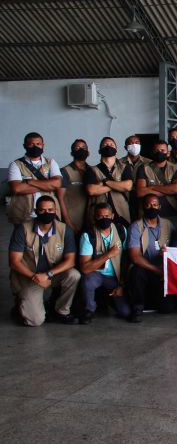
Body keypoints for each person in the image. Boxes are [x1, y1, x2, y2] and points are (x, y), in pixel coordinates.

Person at [8, 196, 80, 326]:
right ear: (36, 211)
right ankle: (20, 303)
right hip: (29, 277)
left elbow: (70, 261)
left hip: (51, 274)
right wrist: (35, 277)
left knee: (74, 275)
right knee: (35, 321)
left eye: (50, 210)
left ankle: (61, 311)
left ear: (56, 211)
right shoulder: (22, 229)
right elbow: (14, 262)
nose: (47, 213)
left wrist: (47, 275)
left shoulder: (64, 230)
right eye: (42, 210)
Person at [78, 203, 131, 324]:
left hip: (116, 277)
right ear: (95, 217)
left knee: (125, 312)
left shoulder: (121, 230)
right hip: (97, 274)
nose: (104, 219)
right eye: (100, 217)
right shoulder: (88, 235)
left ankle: (111, 300)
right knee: (88, 280)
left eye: (107, 216)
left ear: (112, 216)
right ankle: (89, 309)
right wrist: (108, 255)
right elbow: (85, 268)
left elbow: (127, 260)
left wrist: (122, 285)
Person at [127, 194, 175, 322]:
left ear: (159, 207)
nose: (152, 208)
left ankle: (154, 300)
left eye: (155, 205)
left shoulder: (168, 224)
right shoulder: (136, 226)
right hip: (145, 267)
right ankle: (137, 307)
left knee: (167, 308)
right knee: (137, 272)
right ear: (143, 207)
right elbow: (135, 256)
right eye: (148, 205)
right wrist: (156, 270)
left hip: (164, 269)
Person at [7, 132, 62, 225]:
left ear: (43, 145)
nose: (35, 146)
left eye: (38, 144)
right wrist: (48, 185)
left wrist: (29, 182)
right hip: (24, 213)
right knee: (25, 238)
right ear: (25, 146)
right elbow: (16, 188)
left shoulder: (51, 162)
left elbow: (57, 183)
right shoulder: (16, 164)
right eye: (31, 144)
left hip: (48, 212)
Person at [85, 136, 134, 226]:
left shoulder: (124, 167)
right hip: (99, 214)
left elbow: (128, 186)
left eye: (111, 145)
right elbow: (91, 190)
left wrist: (104, 182)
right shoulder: (92, 169)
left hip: (122, 212)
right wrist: (118, 185)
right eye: (105, 145)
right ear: (99, 151)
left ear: (116, 150)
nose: (108, 146)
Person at [135, 140, 177, 225]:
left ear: (168, 153)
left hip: (172, 213)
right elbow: (140, 192)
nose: (159, 153)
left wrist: (151, 187)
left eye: (162, 150)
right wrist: (167, 189)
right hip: (148, 214)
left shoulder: (175, 168)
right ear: (152, 152)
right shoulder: (143, 168)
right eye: (156, 151)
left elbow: (176, 189)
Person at [58, 139, 90, 234]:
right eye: (77, 148)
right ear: (72, 152)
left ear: (88, 152)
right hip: (72, 220)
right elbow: (60, 197)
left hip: (89, 220)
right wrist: (67, 221)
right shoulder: (64, 171)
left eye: (84, 148)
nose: (81, 150)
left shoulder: (92, 170)